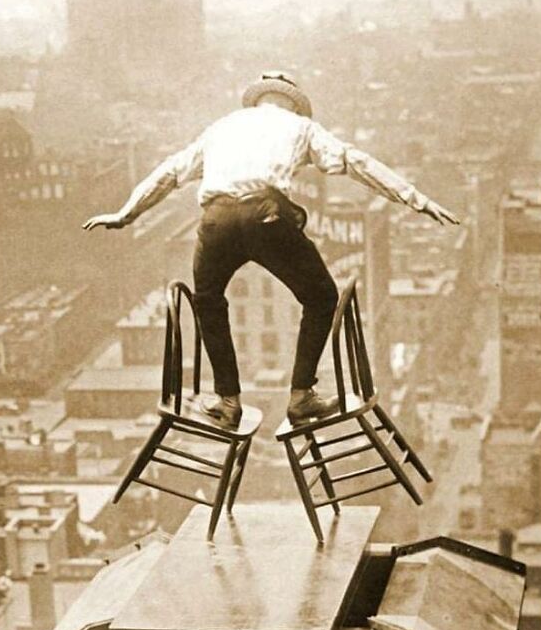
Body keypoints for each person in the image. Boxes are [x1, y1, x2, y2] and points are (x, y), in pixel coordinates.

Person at [83, 71, 459, 428]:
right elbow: (354, 162)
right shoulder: (301, 126)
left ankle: (227, 402)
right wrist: (415, 199)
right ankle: (301, 396)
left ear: (258, 100)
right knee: (321, 297)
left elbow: (170, 172)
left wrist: (126, 213)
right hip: (265, 216)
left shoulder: (222, 127)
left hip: (216, 220)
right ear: (293, 103)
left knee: (208, 301)